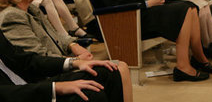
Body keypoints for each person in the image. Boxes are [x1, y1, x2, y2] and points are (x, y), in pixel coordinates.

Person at [0, 28, 131, 102]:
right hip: (16, 95)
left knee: (106, 72)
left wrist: (75, 63)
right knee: (88, 95)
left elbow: (25, 60)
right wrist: (54, 88)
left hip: (29, 86)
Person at [0, 0, 92, 59]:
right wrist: (75, 61)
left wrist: (72, 45)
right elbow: (39, 58)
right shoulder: (11, 17)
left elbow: (54, 36)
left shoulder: (32, 8)